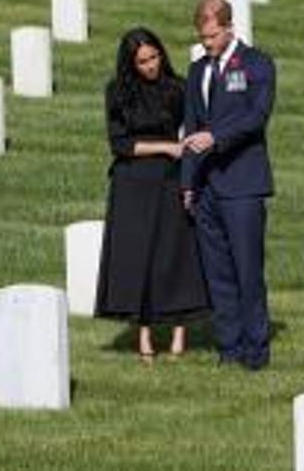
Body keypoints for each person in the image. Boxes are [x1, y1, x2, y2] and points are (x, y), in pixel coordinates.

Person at [95, 27, 210, 363]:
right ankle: (143, 335)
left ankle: (179, 334)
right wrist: (166, 147)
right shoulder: (117, 92)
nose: (150, 65)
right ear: (131, 64)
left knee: (175, 253)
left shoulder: (178, 88)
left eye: (154, 57)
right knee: (139, 256)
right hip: (132, 183)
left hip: (169, 179)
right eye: (142, 61)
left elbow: (193, 129)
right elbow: (120, 144)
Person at [181, 0, 276, 371]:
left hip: (243, 184)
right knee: (218, 272)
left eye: (213, 36)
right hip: (207, 187)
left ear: (229, 27)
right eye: (203, 38)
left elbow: (256, 116)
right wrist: (188, 181)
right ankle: (229, 346)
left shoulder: (257, 64)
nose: (207, 44)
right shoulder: (197, 71)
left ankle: (256, 349)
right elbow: (190, 127)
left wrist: (216, 137)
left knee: (247, 269)